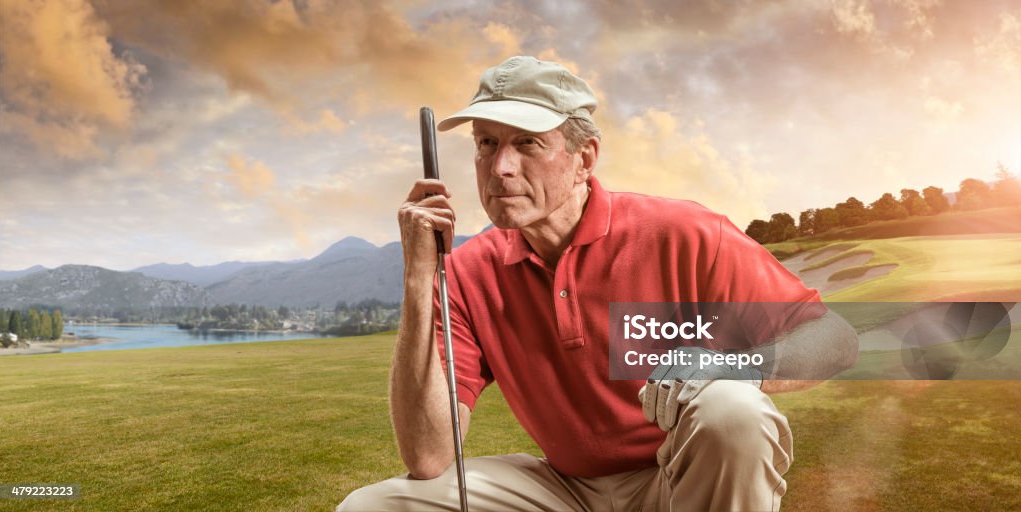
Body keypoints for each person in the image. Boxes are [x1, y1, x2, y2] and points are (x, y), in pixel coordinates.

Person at [337, 56, 858, 511]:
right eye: (487, 143)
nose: (500, 168)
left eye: (527, 144)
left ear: (584, 159)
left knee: (732, 409)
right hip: (565, 490)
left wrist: (733, 366)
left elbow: (834, 339)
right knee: (373, 506)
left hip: (679, 479)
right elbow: (429, 457)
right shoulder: (468, 270)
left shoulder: (684, 233)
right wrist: (418, 278)